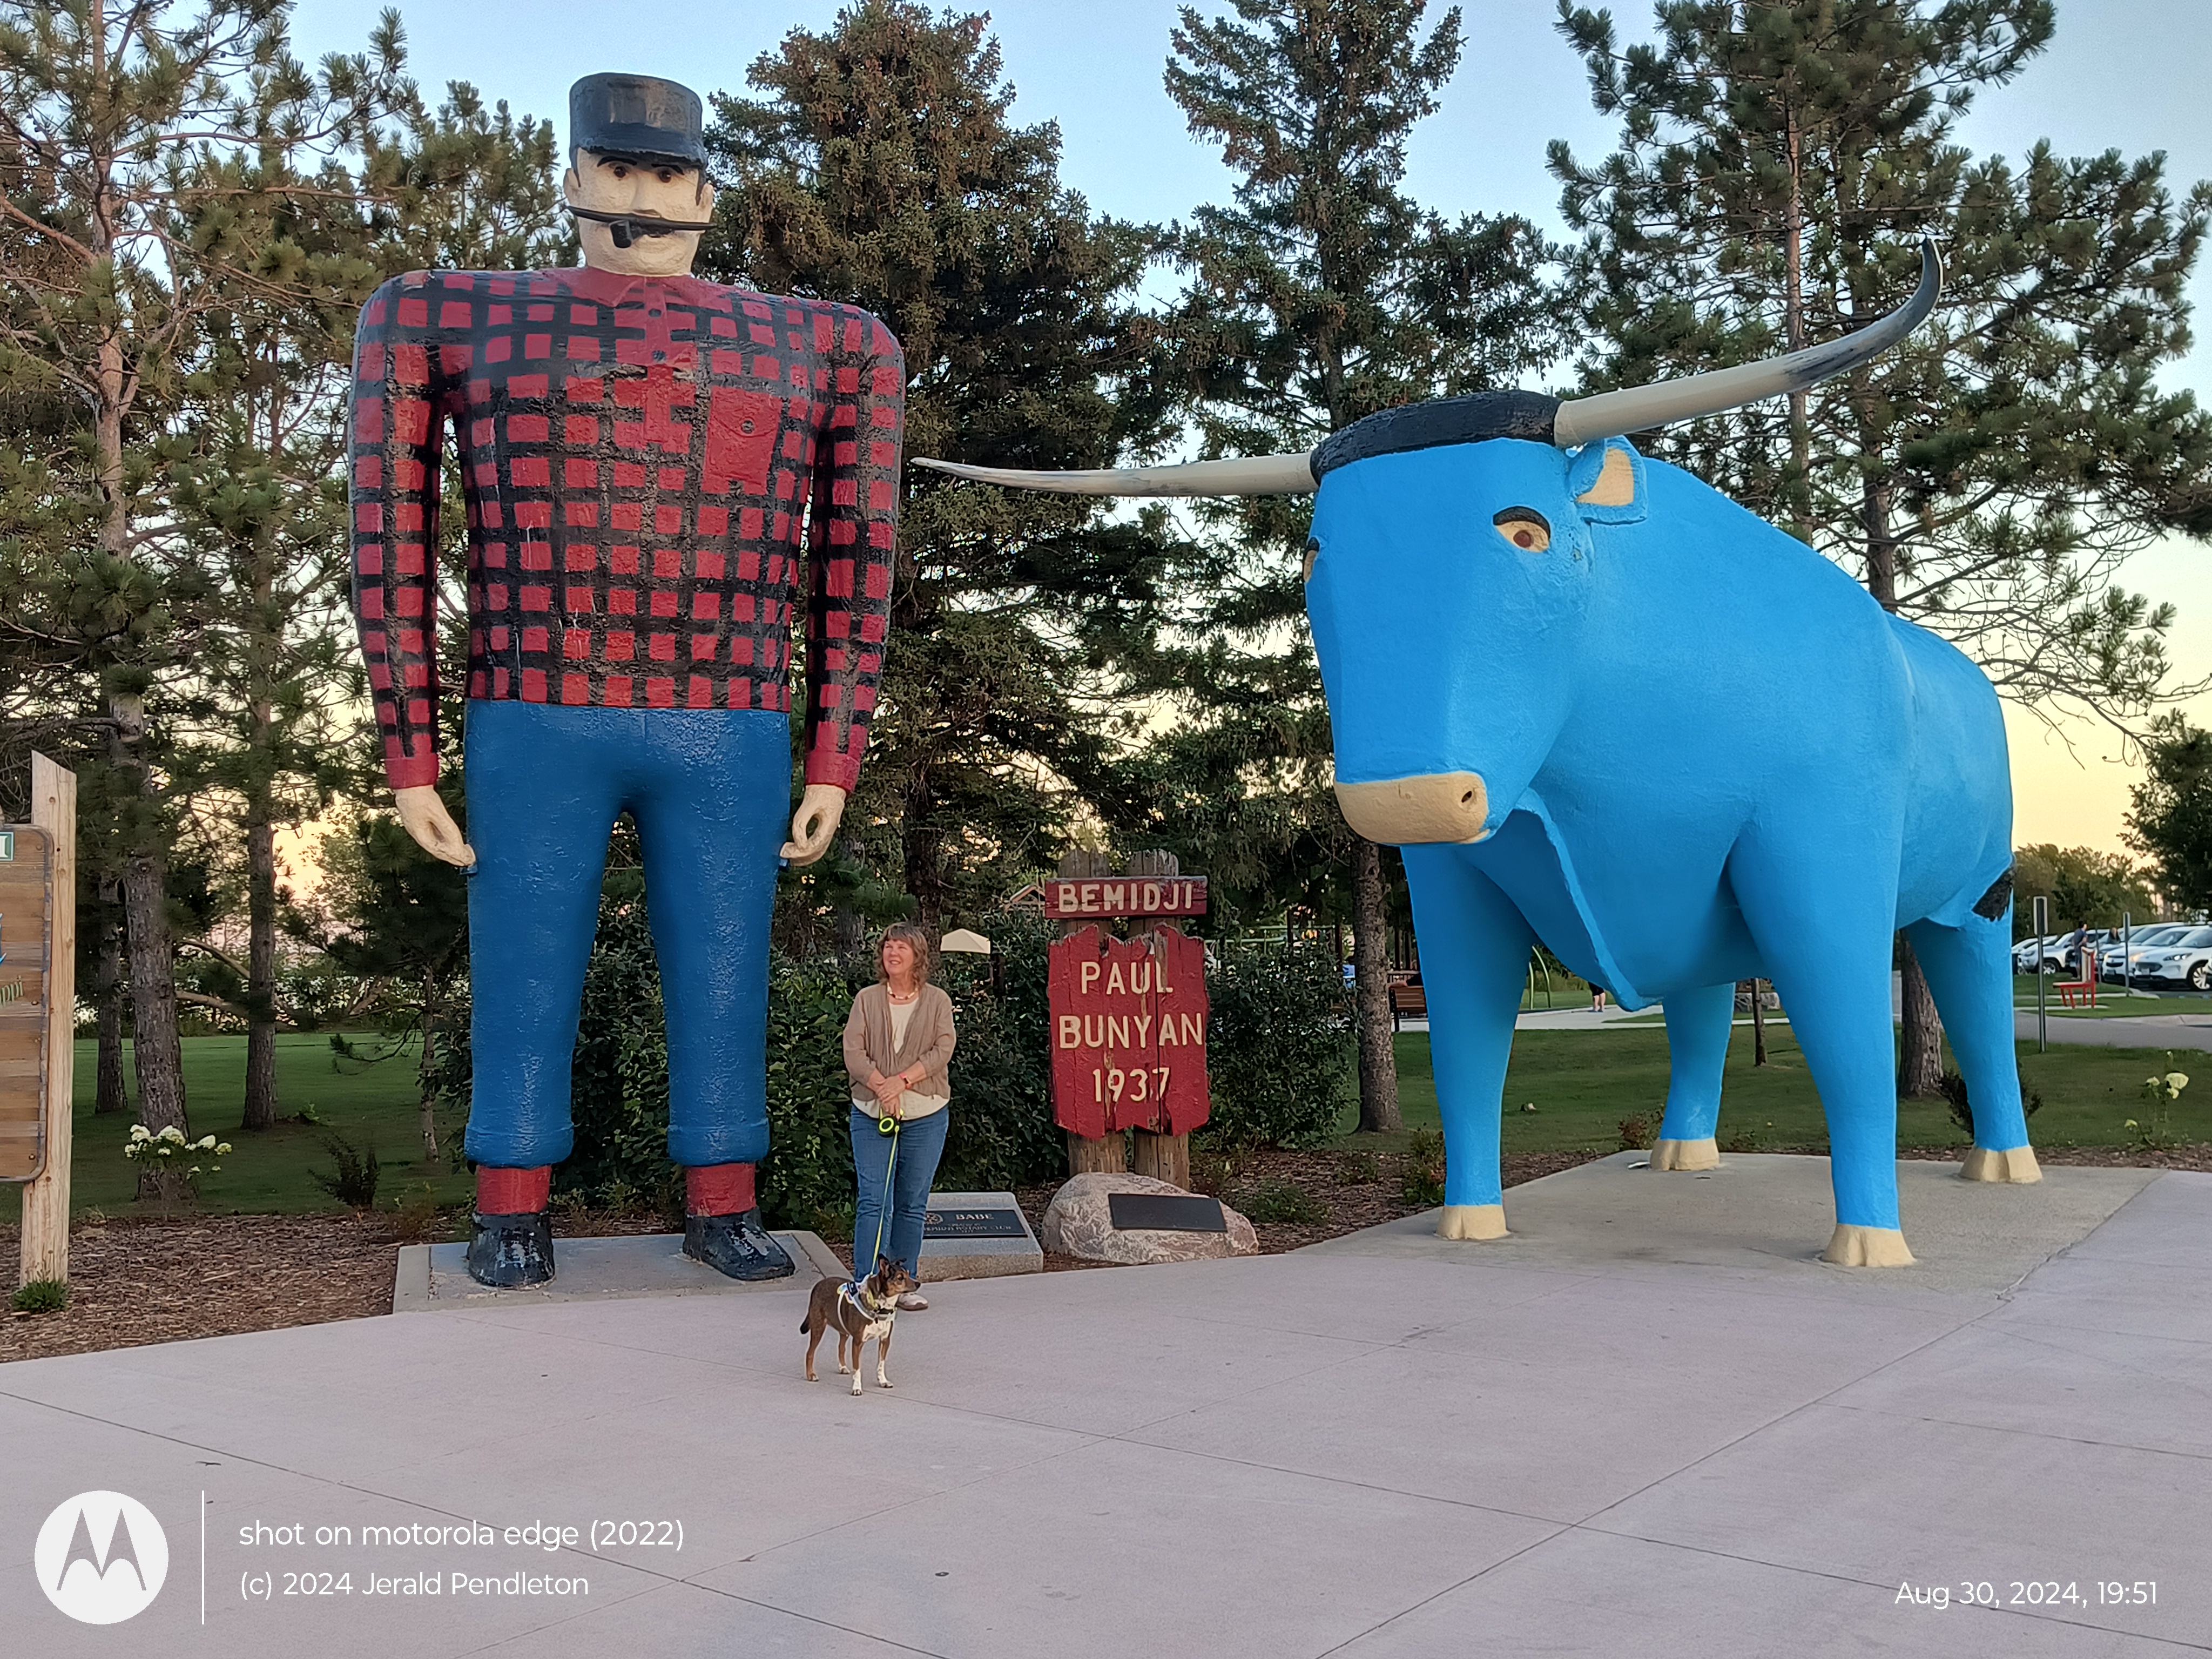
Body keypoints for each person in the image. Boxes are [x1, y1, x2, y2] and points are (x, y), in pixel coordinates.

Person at [348, 72, 906, 1287]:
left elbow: (861, 557)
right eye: (616, 172)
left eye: (663, 177)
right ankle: (511, 1203)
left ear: (705, 192)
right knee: (522, 951)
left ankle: (722, 1195)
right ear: (574, 182)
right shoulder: (440, 317)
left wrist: (834, 752)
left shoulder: (832, 345)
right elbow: (383, 533)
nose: (638, 199)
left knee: (723, 956)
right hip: (535, 699)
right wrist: (407, 748)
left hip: (729, 708)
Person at [844, 925, 956, 1311]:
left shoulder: (937, 1001)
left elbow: (944, 1048)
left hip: (926, 1114)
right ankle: (865, 1285)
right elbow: (854, 1051)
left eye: (902, 946)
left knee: (911, 1203)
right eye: (888, 945)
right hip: (871, 1114)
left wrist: (902, 1082)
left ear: (917, 956)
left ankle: (901, 1285)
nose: (893, 952)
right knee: (874, 1201)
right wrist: (882, 1087)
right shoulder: (866, 999)